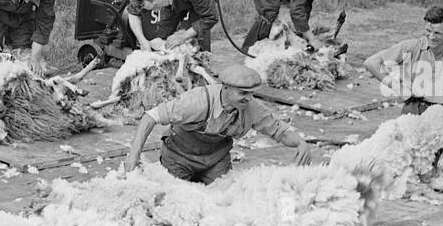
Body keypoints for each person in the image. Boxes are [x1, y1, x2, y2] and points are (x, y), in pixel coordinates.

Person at [121, 63, 313, 184]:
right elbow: (150, 117)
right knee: (176, 201)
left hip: (215, 160)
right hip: (179, 157)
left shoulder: (251, 107)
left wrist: (300, 143)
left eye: (252, 93)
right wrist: (133, 156)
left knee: (224, 202)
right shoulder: (196, 102)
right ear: (226, 88)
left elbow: (278, 130)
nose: (249, 98)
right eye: (243, 93)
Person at [363, 5, 443, 121]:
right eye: (428, 31)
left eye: (437, 33)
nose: (431, 37)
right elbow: (371, 63)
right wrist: (398, 87)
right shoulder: (412, 46)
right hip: (414, 111)